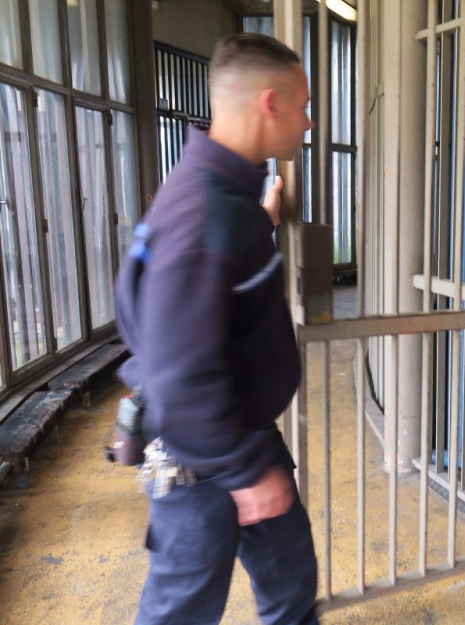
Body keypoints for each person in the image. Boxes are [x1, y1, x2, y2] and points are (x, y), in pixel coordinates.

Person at [114, 33, 318, 625]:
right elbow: (179, 372)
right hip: (204, 458)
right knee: (181, 612)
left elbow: (202, 288)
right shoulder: (207, 215)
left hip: (238, 437)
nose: (308, 122)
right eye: (303, 106)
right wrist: (245, 472)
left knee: (291, 587)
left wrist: (258, 227)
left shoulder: (216, 197)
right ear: (270, 103)